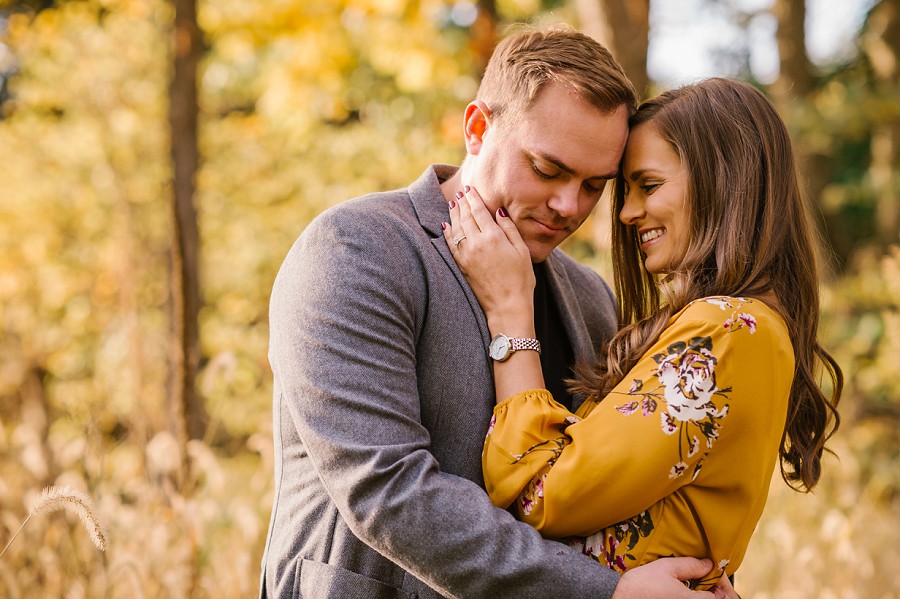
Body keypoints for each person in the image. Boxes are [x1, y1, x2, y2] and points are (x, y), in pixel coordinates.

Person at [260, 25, 736, 599]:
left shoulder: (589, 299)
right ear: (477, 128)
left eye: (593, 185)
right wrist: (606, 594)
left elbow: (590, 493)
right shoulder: (355, 251)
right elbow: (388, 492)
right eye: (547, 169)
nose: (568, 206)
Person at [443, 77, 843, 591]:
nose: (628, 212)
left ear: (723, 184)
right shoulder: (740, 327)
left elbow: (541, 493)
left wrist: (510, 311)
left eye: (648, 186)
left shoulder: (727, 330)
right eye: (624, 189)